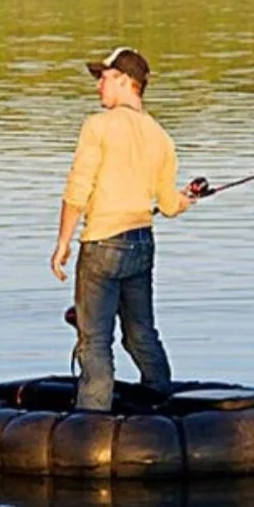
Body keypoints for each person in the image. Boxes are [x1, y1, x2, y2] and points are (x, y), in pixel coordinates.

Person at [50, 47, 195, 412]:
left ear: (126, 81)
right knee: (141, 333)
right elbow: (167, 205)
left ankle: (91, 425)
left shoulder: (98, 126)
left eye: (104, 77)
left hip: (102, 244)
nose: (99, 84)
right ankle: (165, 408)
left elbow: (77, 189)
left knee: (95, 340)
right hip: (141, 244)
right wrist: (187, 198)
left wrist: (63, 243)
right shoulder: (162, 137)